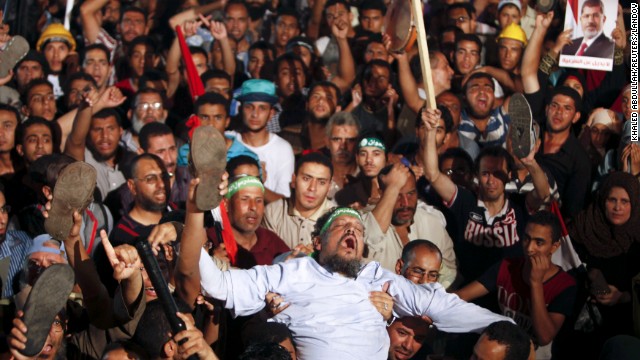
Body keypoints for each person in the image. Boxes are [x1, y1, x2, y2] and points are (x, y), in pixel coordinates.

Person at [178, 179, 512, 358]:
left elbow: (440, 305)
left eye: (358, 229)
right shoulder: (290, 274)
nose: (352, 230)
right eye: (341, 227)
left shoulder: (379, 279)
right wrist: (193, 215)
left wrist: (508, 327)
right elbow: (217, 285)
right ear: (318, 242)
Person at [456, 211, 577, 358]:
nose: (529, 248)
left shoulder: (564, 285)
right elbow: (462, 295)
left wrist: (536, 283)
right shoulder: (506, 267)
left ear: (554, 247)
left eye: (539, 242)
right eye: (526, 239)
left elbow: (544, 337)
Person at [566, 172, 640, 357]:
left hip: (625, 329)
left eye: (625, 201)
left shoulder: (637, 239)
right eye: (612, 200)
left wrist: (623, 297)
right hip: (580, 326)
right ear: (602, 199)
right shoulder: (583, 227)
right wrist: (593, 285)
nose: (617, 207)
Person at [363, 163, 458, 287]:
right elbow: (370, 238)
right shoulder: (364, 221)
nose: (405, 203)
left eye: (411, 193)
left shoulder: (431, 222)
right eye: (397, 195)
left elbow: (451, 273)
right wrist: (393, 187)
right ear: (382, 193)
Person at [233, 80, 295, 200]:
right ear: (241, 109)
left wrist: (254, 183)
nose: (255, 114)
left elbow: (284, 202)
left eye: (262, 108)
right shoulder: (228, 141)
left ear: (271, 113)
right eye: (249, 107)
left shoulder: (283, 148)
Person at [263, 153, 335, 250]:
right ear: (293, 180)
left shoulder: (337, 219)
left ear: (329, 187)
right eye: (306, 178)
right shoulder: (273, 212)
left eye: (321, 182)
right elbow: (267, 257)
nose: (312, 188)